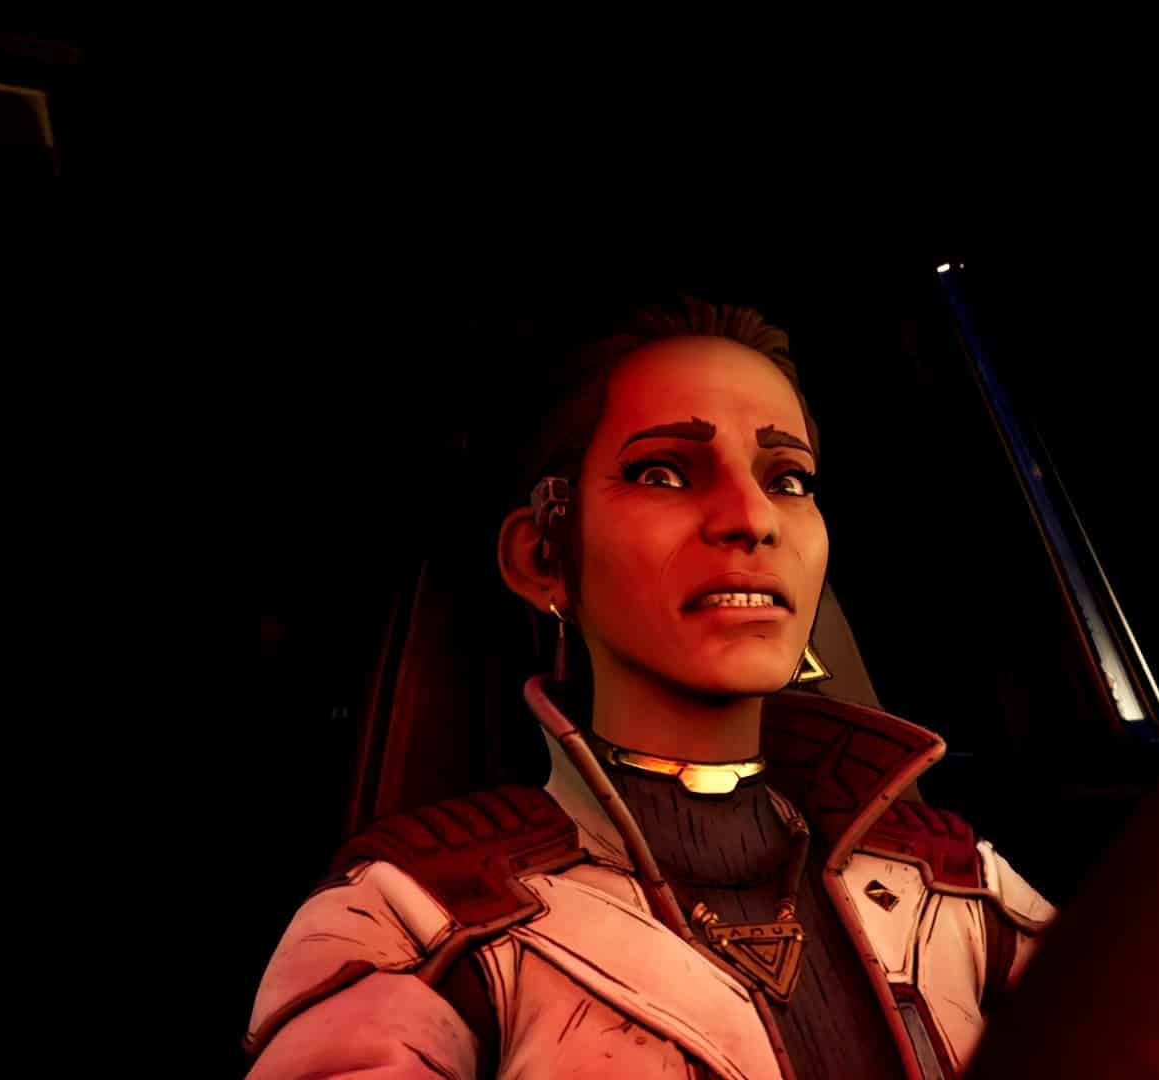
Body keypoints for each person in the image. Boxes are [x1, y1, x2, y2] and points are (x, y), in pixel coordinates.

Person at [242, 298, 1057, 1079]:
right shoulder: (419, 918)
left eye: (788, 479)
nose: (752, 519)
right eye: (663, 472)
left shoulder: (955, 883)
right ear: (542, 556)